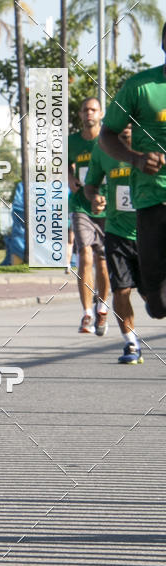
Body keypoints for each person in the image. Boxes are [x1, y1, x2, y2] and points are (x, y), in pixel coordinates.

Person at [100, 23, 166, 320]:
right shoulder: (140, 87)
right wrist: (136, 159)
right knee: (158, 304)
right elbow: (107, 136)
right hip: (151, 200)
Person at [84, 126, 143, 364]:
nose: (127, 125)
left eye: (132, 119)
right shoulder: (103, 149)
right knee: (121, 289)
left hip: (147, 231)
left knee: (154, 299)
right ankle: (130, 343)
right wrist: (95, 198)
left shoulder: (152, 144)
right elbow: (91, 185)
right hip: (116, 231)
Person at [68, 97, 110, 334]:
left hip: (106, 206)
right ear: (80, 115)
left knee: (103, 261)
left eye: (93, 110)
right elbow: (63, 163)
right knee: (84, 255)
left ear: (101, 113)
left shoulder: (108, 140)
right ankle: (86, 313)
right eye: (85, 110)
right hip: (81, 205)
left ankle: (102, 308)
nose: (89, 114)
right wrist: (69, 177)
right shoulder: (71, 141)